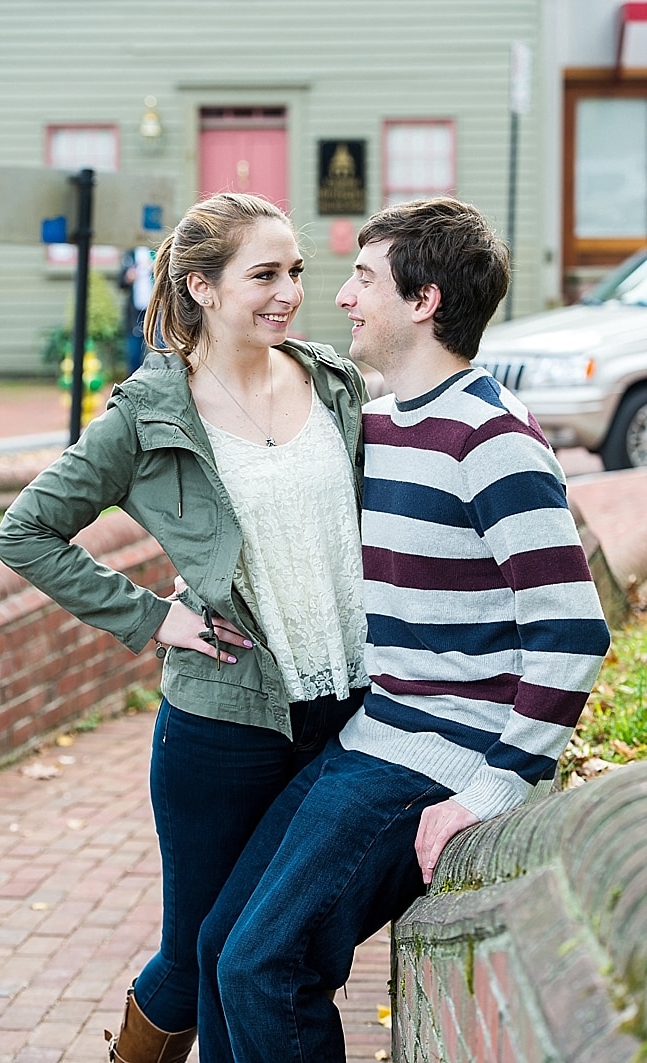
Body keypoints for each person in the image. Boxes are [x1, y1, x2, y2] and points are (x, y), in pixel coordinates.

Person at [195, 198, 612, 1063]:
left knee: (265, 964)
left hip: (441, 754)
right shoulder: (373, 426)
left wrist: (493, 788)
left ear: (423, 301)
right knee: (216, 946)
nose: (341, 297)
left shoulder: (494, 439)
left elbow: (572, 629)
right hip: (370, 734)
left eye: (362, 277)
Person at [0, 192, 370, 1063]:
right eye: (264, 274)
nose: (288, 293)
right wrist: (151, 617)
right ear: (200, 286)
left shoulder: (334, 382)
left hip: (343, 709)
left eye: (297, 272)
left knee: (270, 948)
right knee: (205, 949)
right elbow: (25, 532)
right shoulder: (147, 413)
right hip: (222, 726)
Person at [120, 245, 154, 377]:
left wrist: (154, 269)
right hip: (135, 314)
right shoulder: (129, 254)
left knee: (162, 352)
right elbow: (120, 282)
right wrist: (128, 277)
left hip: (155, 312)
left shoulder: (154, 252)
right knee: (134, 353)